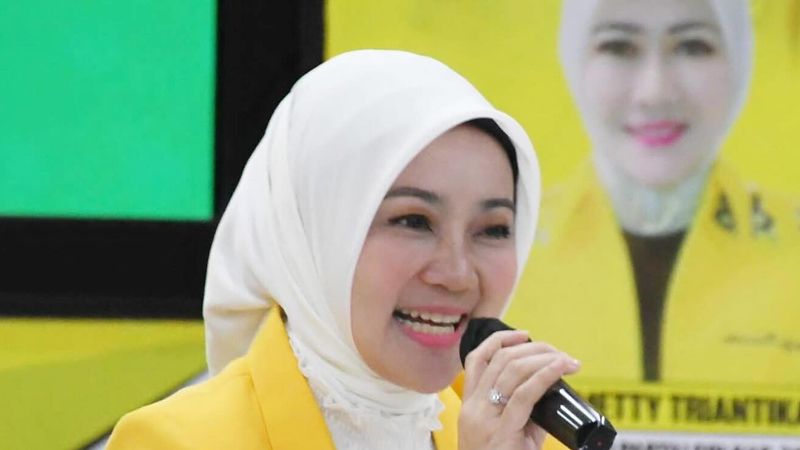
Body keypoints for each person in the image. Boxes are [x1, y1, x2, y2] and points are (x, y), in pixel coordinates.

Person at [106, 50, 581, 450]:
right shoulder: (177, 441)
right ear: (311, 233)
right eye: (413, 221)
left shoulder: (526, 440)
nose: (456, 273)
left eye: (493, 229)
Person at [506, 0, 800, 385]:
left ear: (739, 60)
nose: (654, 92)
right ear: (574, 59)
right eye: (619, 47)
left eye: (692, 46)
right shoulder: (508, 252)